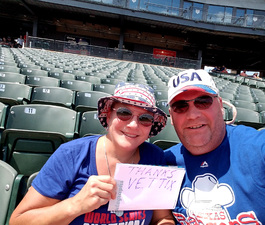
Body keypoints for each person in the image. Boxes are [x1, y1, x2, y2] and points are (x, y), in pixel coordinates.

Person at [9, 82, 175, 225]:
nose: (133, 125)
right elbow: (18, 220)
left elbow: (162, 218)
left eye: (145, 118)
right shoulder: (71, 154)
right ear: (108, 115)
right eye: (124, 113)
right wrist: (75, 205)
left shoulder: (155, 157)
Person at [164, 69, 265, 224]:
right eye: (180, 106)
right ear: (171, 117)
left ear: (220, 106)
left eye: (203, 101)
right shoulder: (164, 165)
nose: (193, 114)